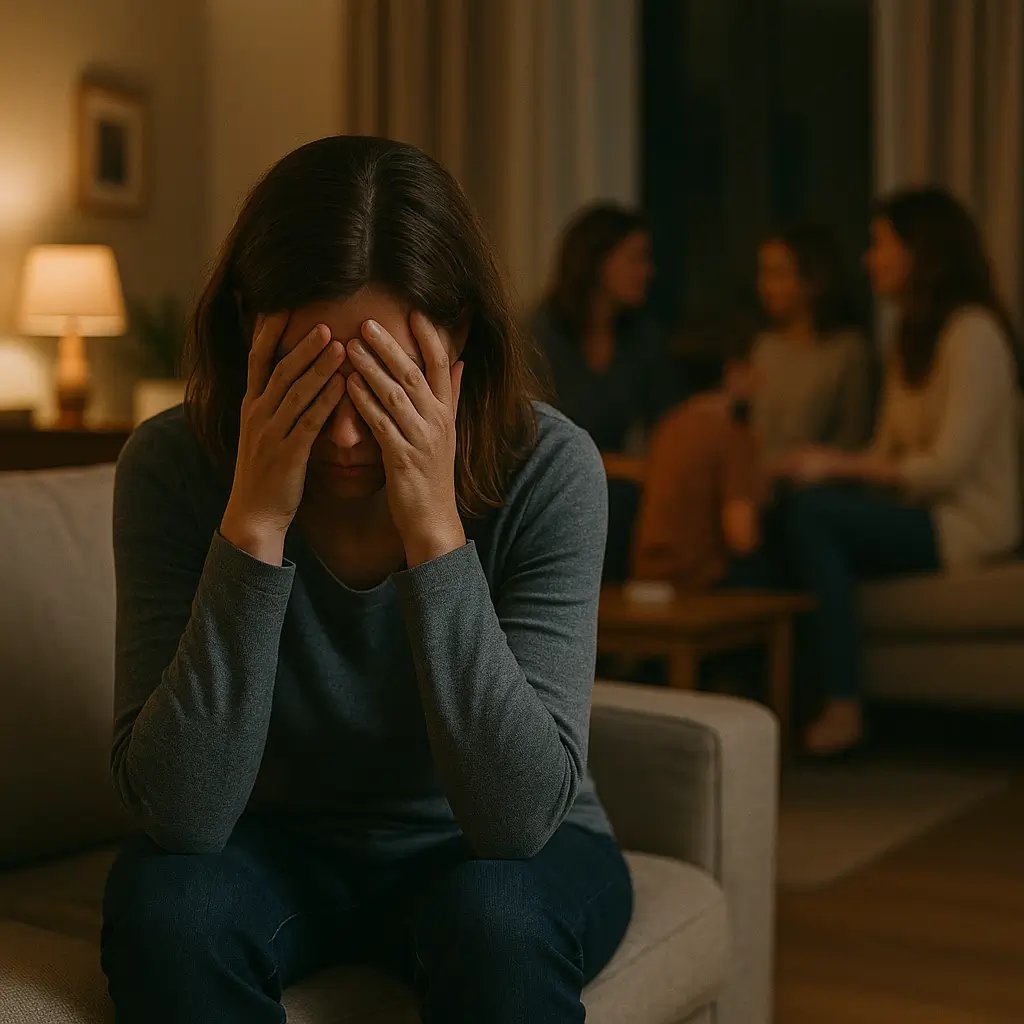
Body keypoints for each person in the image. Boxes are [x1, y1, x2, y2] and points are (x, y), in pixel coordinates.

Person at [100, 136, 632, 1024]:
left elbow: (516, 825)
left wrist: (434, 527)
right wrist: (255, 523)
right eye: (310, 382)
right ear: (247, 333)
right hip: (269, 846)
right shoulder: (172, 466)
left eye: (385, 382)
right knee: (169, 911)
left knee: (497, 919)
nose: (346, 440)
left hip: (502, 854)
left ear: (456, 338)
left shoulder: (550, 469)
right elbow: (182, 819)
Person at [781, 188, 1022, 756]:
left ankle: (842, 704)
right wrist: (813, 464)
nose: (869, 259)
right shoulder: (910, 337)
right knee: (791, 505)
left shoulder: (976, 334)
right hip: (915, 514)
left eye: (881, 244)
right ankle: (768, 692)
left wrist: (834, 465)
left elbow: (946, 467)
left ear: (922, 252)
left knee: (813, 516)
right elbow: (884, 449)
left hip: (966, 526)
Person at [632, 314, 771, 590]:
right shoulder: (731, 432)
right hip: (699, 582)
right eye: (753, 365)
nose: (760, 375)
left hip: (645, 577)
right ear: (733, 372)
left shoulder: (669, 425)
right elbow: (741, 535)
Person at [532, 202, 678, 453]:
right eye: (636, 259)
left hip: (622, 482)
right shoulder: (539, 333)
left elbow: (668, 419)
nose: (648, 271)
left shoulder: (642, 338)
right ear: (597, 261)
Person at [752, 223, 874, 462]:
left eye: (776, 274)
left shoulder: (848, 351)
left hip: (818, 488)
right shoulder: (764, 348)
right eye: (762, 273)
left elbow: (854, 440)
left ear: (813, 281)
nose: (764, 286)